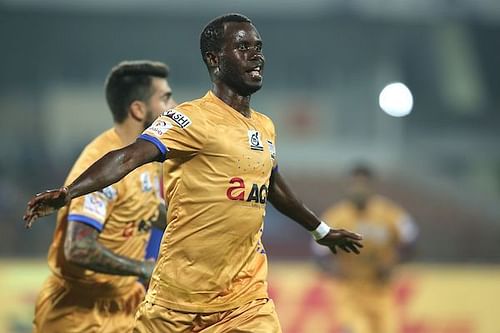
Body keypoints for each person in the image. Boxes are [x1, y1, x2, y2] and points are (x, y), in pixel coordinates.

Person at [23, 14, 363, 333]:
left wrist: (320, 230)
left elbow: (272, 185)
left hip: (245, 298)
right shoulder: (192, 119)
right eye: (243, 48)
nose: (256, 56)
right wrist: (70, 192)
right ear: (215, 60)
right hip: (176, 301)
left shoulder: (265, 127)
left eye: (258, 47)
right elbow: (128, 157)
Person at [31, 60, 175, 333]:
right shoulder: (100, 165)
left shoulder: (147, 160)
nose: (175, 107)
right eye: (166, 98)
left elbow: (146, 213)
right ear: (138, 109)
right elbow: (79, 248)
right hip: (79, 316)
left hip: (123, 309)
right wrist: (144, 268)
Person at [312, 165, 418, 333]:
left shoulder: (389, 213)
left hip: (381, 291)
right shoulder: (336, 216)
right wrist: (333, 269)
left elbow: (411, 240)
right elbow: (318, 254)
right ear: (347, 187)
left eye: (363, 184)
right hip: (349, 292)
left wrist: (393, 263)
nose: (358, 190)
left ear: (371, 187)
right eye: (354, 184)